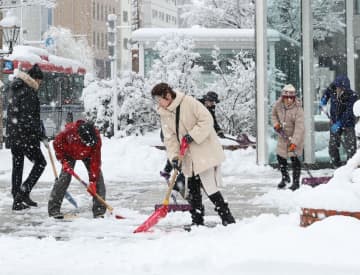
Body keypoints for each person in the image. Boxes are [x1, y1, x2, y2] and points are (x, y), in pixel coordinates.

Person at [151, 82, 235, 227]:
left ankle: (227, 218)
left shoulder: (188, 102)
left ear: (168, 95)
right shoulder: (164, 113)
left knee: (210, 187)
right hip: (188, 156)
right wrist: (174, 158)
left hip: (204, 151)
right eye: (156, 100)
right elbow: (169, 138)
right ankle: (197, 221)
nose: (158, 103)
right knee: (193, 190)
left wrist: (193, 135)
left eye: (160, 99)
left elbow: (207, 120)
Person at [6, 64, 47, 210]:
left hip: (14, 135)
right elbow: (29, 119)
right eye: (40, 81)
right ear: (35, 79)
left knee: (17, 166)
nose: (40, 84)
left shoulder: (16, 88)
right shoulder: (29, 92)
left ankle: (17, 198)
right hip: (25, 137)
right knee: (41, 163)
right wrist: (41, 134)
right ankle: (23, 191)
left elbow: (19, 115)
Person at [48, 120, 106, 218]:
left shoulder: (96, 139)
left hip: (89, 155)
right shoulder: (68, 132)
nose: (87, 145)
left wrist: (93, 181)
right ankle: (53, 209)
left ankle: (99, 211)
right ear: (79, 137)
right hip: (69, 154)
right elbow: (56, 144)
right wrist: (64, 161)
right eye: (85, 143)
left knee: (98, 179)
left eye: (89, 144)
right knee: (65, 177)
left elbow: (95, 161)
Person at [319, 75, 358, 168]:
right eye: (337, 87)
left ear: (345, 88)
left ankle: (350, 168)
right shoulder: (332, 90)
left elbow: (349, 112)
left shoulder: (352, 96)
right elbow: (327, 93)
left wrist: (340, 123)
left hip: (348, 124)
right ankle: (336, 167)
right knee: (332, 147)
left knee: (350, 147)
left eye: (340, 88)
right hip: (334, 121)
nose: (337, 89)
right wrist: (323, 100)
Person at [272, 84, 305, 191]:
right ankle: (285, 177)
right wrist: (276, 124)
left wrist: (294, 142)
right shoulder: (278, 105)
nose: (289, 100)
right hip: (283, 135)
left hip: (296, 136)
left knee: (295, 159)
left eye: (292, 97)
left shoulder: (298, 109)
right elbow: (273, 115)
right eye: (287, 98)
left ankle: (296, 182)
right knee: (280, 156)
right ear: (283, 97)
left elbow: (300, 128)